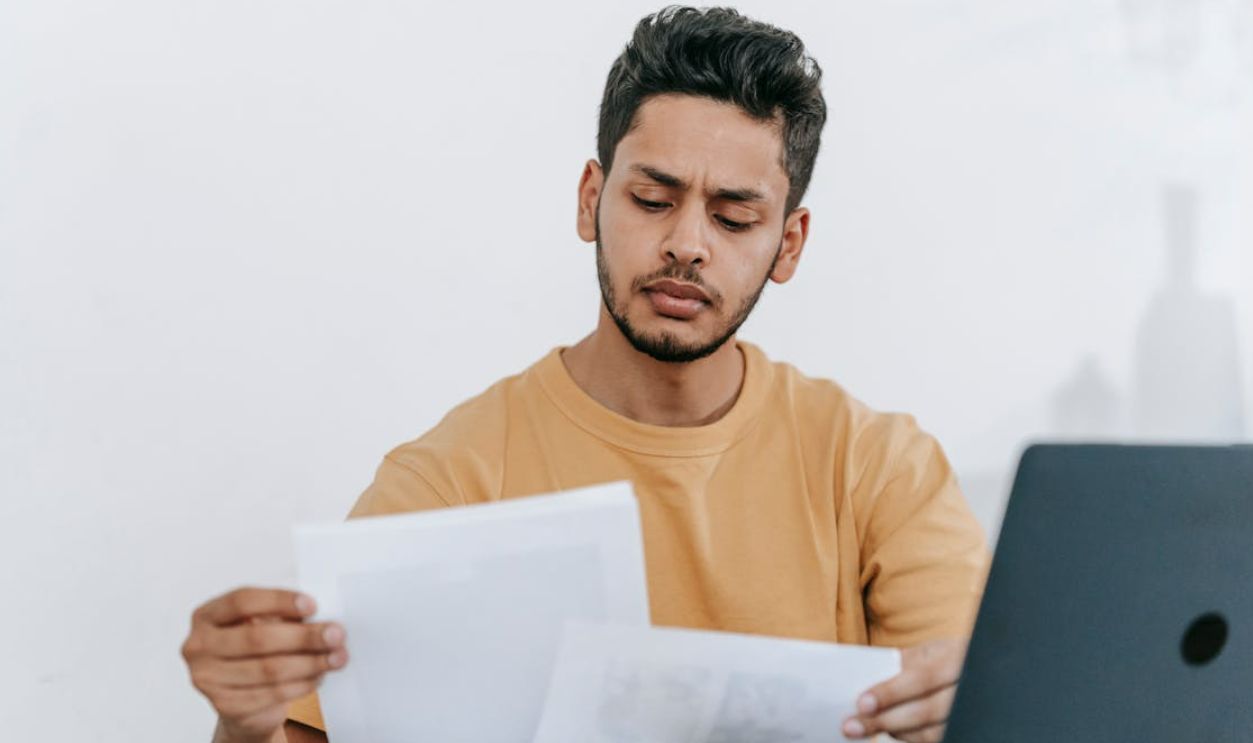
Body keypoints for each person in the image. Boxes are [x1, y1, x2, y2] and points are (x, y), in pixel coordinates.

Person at [180, 6, 989, 743]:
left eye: (734, 216)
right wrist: (244, 723)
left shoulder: (878, 466)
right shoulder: (450, 479)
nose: (687, 244)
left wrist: (983, 709)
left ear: (788, 244)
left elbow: (983, 706)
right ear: (590, 199)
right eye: (651, 199)